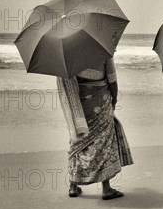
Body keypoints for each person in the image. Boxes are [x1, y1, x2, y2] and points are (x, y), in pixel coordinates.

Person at [57, 57, 133, 200]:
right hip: (100, 102)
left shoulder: (68, 55)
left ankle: (73, 186)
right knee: (104, 141)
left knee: (78, 141)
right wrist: (114, 100)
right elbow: (112, 80)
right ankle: (106, 188)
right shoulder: (103, 51)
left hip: (79, 106)